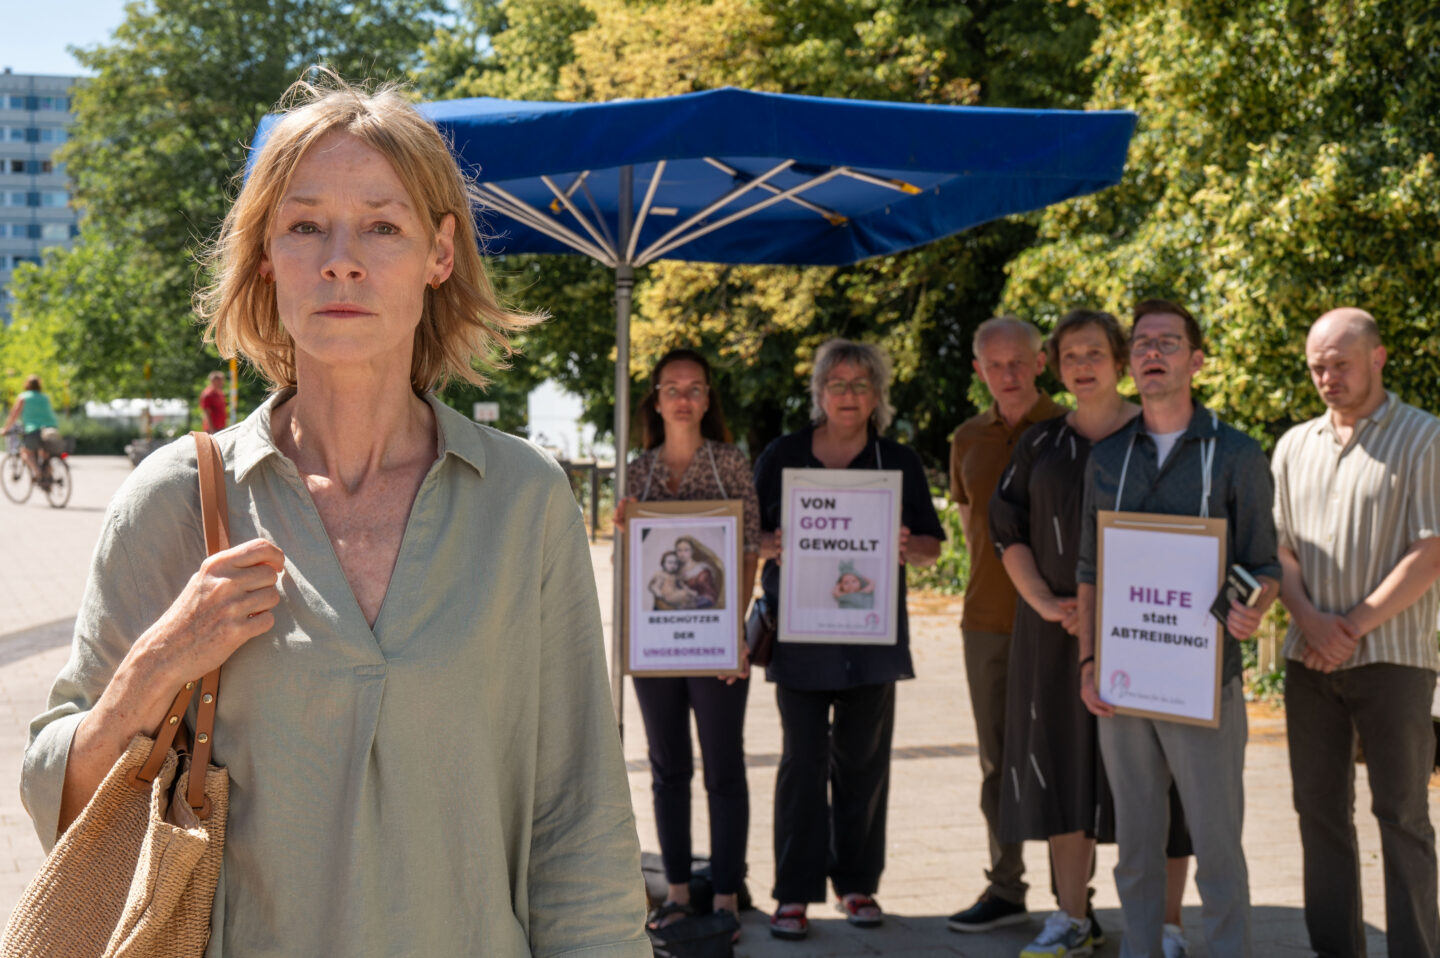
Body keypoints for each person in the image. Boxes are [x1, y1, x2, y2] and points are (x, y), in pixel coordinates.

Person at [19, 76, 649, 956]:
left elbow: (578, 821)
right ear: (266, 256)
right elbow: (60, 802)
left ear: (439, 253)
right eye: (306, 225)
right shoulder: (175, 499)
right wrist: (155, 668)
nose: (341, 260)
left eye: (382, 227)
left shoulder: (525, 499)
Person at [1075, 299, 1281, 958]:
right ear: (1130, 362)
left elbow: (1264, 564)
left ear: (1196, 360)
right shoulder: (1107, 458)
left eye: (1168, 342)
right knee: (1135, 847)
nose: (1152, 353)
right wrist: (1088, 663)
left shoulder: (1237, 453)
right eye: (1141, 343)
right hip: (1123, 682)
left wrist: (1252, 605)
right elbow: (1090, 570)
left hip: (1205, 683)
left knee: (1217, 849)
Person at [989, 310, 1195, 958]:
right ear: (1056, 365)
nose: (1082, 365)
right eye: (1070, 355)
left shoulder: (1161, 434)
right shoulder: (1039, 443)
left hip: (1149, 633)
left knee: (1161, 774)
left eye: (1094, 353)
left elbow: (1190, 534)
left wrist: (1108, 610)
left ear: (1120, 359)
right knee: (1061, 767)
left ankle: (1166, 926)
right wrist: (1048, 604)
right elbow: (1006, 529)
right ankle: (1072, 919)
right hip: (1054, 636)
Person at [753, 338, 944, 941]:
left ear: (877, 395)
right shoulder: (783, 455)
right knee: (801, 765)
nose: (849, 395)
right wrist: (768, 544)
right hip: (799, 638)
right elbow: (747, 531)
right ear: (819, 392)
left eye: (862, 385)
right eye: (837, 383)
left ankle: (857, 885)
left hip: (870, 640)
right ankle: (793, 893)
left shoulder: (897, 461)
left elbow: (932, 547)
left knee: (863, 766)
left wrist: (907, 545)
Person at [1271, 308, 1440, 958]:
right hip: (1308, 662)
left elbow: (1430, 550)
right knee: (1318, 817)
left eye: (1340, 364)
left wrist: (1351, 628)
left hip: (1395, 660)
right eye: (1317, 366)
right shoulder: (1293, 446)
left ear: (1379, 357)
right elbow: (1280, 550)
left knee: (1402, 817)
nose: (1327, 377)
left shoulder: (1424, 438)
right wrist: (1312, 623)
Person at [614, 347, 761, 936]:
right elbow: (633, 566)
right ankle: (676, 892)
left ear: (707, 400)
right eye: (671, 388)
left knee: (724, 768)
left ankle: (725, 897)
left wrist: (733, 631)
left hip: (717, 645)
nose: (682, 398)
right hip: (654, 646)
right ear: (655, 399)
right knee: (667, 768)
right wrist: (625, 529)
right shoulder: (638, 473)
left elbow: (746, 552)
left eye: (694, 388)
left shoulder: (729, 463)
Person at [946, 316, 1066, 933]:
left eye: (1018, 361)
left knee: (1064, 757)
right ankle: (1005, 885)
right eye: (995, 365)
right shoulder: (967, 438)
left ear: (1041, 361)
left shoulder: (1074, 430)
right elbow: (968, 521)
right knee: (997, 762)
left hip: (1065, 622)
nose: (1008, 374)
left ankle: (1073, 899)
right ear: (978, 371)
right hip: (987, 621)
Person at [2, 374, 61, 485]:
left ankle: (38, 474)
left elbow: (14, 415)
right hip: (51, 429)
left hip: (33, 429)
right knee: (45, 454)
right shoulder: (45, 397)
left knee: (26, 452)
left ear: (27, 385)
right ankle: (49, 477)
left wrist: (5, 429)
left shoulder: (24, 397)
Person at [673, 534, 723, 608]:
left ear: (692, 551)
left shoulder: (701, 569)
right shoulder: (675, 571)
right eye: (679, 550)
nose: (682, 554)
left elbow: (710, 597)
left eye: (686, 550)